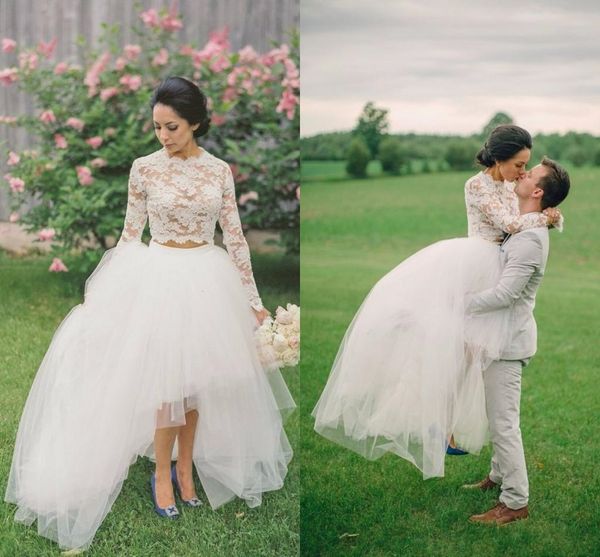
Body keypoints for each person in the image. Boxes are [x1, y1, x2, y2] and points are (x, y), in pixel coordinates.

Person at [5, 76, 295, 551]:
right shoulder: (143, 169)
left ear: (196, 122)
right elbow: (128, 234)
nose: (164, 136)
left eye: (173, 127)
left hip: (207, 275)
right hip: (157, 274)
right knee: (167, 387)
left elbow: (235, 237)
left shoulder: (219, 171)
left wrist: (253, 299)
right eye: (158, 127)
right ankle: (162, 474)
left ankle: (186, 468)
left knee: (198, 383)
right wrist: (107, 290)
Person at [312, 125, 561, 479]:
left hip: (499, 264)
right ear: (499, 158)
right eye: (519, 164)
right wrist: (546, 215)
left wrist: (547, 213)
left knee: (477, 355)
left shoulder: (511, 184)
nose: (523, 171)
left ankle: (451, 429)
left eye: (526, 166)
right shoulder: (476, 185)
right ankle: (438, 423)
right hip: (477, 261)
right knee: (447, 346)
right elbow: (508, 222)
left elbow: (519, 221)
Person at [464, 158, 570, 525]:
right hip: (499, 336)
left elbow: (505, 294)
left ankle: (515, 502)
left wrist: (460, 304)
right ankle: (497, 476)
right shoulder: (522, 226)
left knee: (504, 422)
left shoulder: (528, 240)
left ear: (538, 192)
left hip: (508, 344)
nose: (522, 174)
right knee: (499, 416)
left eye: (530, 174)